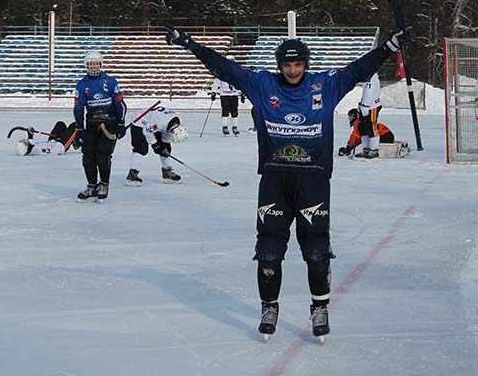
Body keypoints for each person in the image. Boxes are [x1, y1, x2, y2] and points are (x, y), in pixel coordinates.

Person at [165, 25, 410, 341]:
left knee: (317, 251)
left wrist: (388, 47)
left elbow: (359, 68)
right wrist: (191, 44)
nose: (293, 71)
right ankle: (269, 306)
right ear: (279, 64)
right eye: (287, 65)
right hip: (274, 178)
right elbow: (224, 67)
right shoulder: (261, 83)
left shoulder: (325, 85)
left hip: (314, 179)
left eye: (298, 65)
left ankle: (319, 307)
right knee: (268, 251)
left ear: (306, 64)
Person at [73, 50, 127, 202]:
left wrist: (121, 123)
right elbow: (78, 108)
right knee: (88, 157)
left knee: (103, 156)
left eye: (97, 64)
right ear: (86, 66)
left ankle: (104, 184)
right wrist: (79, 129)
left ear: (101, 65)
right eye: (91, 64)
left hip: (109, 124)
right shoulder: (82, 84)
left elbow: (120, 104)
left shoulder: (110, 82)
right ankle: (91, 185)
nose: (94, 67)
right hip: (91, 125)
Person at [126, 106, 188, 186]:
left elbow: (166, 137)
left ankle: (167, 172)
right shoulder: (160, 123)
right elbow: (147, 131)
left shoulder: (177, 122)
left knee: (166, 148)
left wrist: (163, 148)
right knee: (141, 148)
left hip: (154, 121)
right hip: (140, 120)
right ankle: (132, 174)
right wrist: (155, 145)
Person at [211, 56, 246, 136]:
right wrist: (214, 92)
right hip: (224, 94)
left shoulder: (237, 72)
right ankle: (225, 126)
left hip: (234, 93)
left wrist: (242, 93)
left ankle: (235, 126)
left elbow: (241, 83)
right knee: (225, 110)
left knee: (234, 111)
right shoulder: (221, 72)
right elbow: (216, 82)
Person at [356, 73, 383, 159]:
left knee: (371, 127)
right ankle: (366, 148)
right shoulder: (366, 75)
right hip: (365, 105)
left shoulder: (370, 75)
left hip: (372, 106)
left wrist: (366, 104)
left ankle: (374, 150)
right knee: (363, 128)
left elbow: (370, 90)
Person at [13, 121, 78, 156]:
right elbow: (54, 152)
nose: (25, 140)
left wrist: (30, 134)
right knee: (75, 126)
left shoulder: (30, 147)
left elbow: (31, 142)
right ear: (26, 148)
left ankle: (74, 140)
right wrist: (59, 140)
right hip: (61, 146)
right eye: (24, 142)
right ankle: (78, 143)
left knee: (60, 124)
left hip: (52, 142)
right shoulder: (39, 151)